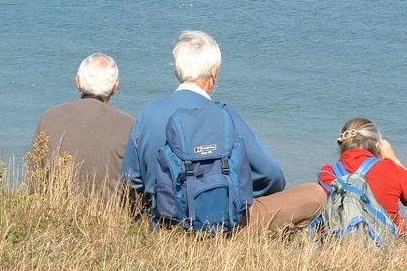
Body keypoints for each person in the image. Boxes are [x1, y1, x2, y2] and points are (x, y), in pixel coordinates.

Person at [122, 30, 325, 233]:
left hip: (166, 225)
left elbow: (131, 180)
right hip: (224, 226)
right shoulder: (226, 117)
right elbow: (272, 175)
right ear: (214, 72)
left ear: (177, 70)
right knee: (315, 194)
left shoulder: (148, 113)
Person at [31, 53, 134, 193]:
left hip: (52, 210)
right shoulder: (128, 125)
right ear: (116, 87)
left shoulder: (49, 118)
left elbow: (33, 178)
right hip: (109, 212)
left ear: (77, 82)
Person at [318, 117, 407, 236]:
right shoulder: (389, 169)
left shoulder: (327, 173)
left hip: (339, 243)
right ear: (378, 145)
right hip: (385, 244)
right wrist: (394, 160)